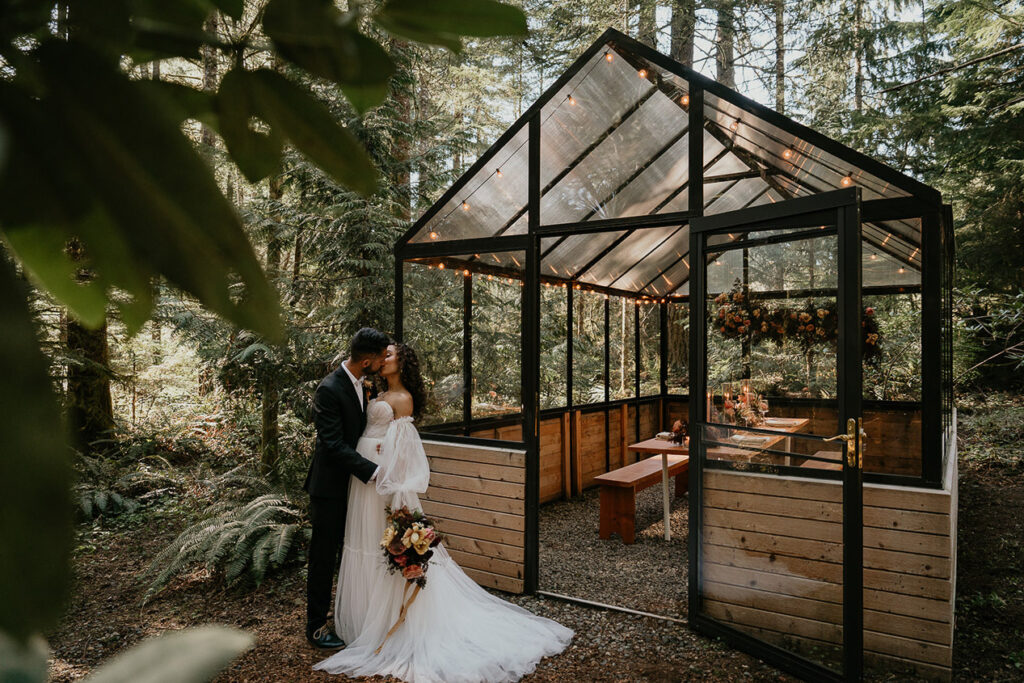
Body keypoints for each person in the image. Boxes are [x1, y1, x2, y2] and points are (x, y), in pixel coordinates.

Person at [313, 343, 573, 682]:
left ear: (401, 364)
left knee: (381, 546)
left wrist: (394, 488)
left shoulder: (401, 398)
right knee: (363, 543)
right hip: (363, 481)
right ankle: (365, 622)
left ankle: (388, 624)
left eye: (389, 355)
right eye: (383, 354)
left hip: (380, 481)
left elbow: (403, 452)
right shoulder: (372, 389)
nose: (383, 359)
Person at [304, 327, 391, 649]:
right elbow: (332, 444)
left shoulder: (362, 384)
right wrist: (374, 470)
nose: (384, 363)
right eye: (381, 358)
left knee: (353, 552)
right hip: (329, 488)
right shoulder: (329, 388)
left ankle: (350, 615)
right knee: (323, 557)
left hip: (355, 487)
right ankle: (315, 627)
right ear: (366, 361)